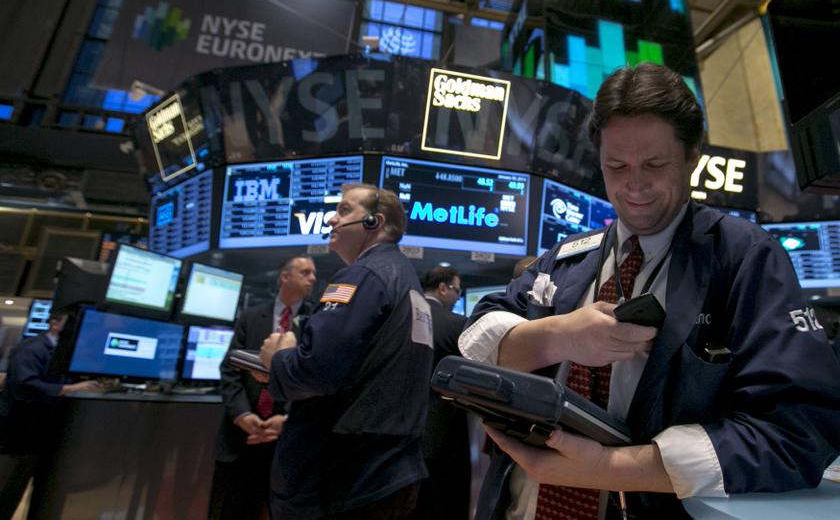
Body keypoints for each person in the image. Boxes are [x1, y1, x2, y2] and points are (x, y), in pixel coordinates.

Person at [458, 63, 840, 519]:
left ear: (692, 156)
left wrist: (611, 468)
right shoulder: (568, 257)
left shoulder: (743, 257)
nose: (634, 184)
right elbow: (474, 336)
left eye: (655, 165)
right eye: (615, 166)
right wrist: (557, 338)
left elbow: (800, 431)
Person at [259, 184, 434, 519]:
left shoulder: (363, 275)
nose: (330, 219)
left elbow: (318, 368)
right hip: (387, 470)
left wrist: (275, 360)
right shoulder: (407, 280)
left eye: (343, 211)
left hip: (348, 477)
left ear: (374, 222)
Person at [209, 255, 316, 520]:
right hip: (241, 437)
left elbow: (314, 379)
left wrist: (288, 419)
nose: (312, 278)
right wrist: (243, 415)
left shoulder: (317, 323)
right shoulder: (252, 316)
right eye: (305, 272)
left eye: (313, 273)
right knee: (229, 510)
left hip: (287, 439)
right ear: (284, 276)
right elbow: (230, 369)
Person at [0, 309, 100, 520]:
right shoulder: (32, 348)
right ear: (54, 323)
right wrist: (70, 389)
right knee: (7, 485)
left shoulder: (63, 352)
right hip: (18, 430)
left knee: (22, 487)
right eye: (70, 323)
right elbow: (24, 385)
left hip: (40, 432)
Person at [414, 266, 470, 520]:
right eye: (457, 290)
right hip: (443, 434)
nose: (458, 297)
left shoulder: (395, 318)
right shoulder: (456, 325)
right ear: (443, 288)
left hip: (399, 430)